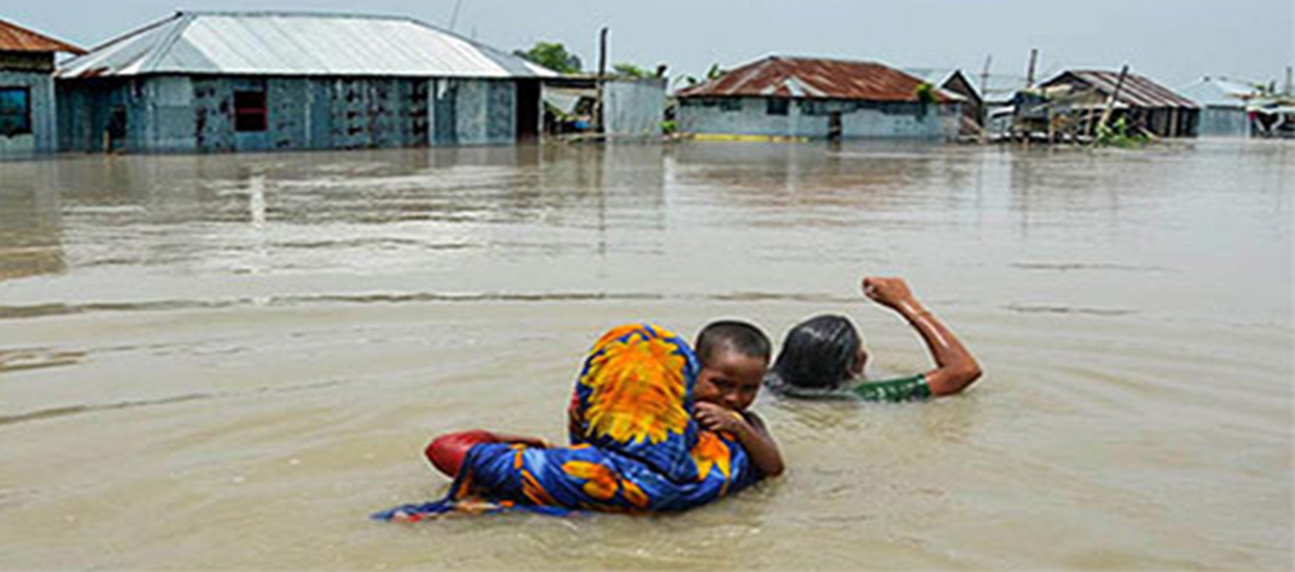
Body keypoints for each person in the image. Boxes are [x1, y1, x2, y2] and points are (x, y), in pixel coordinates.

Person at [379, 322, 775, 521]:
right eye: (721, 385)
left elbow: (445, 449)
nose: (732, 399)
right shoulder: (722, 456)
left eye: (746, 390)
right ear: (685, 375)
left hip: (600, 491)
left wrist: (519, 442)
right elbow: (772, 469)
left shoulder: (589, 469)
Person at [766, 277, 982, 402]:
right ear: (852, 368)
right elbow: (963, 370)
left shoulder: (761, 383)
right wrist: (905, 303)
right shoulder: (860, 395)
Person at [689, 320, 784, 477]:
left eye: (749, 388)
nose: (733, 398)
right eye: (722, 384)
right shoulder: (672, 408)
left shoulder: (748, 422)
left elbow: (775, 468)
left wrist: (738, 428)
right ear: (694, 369)